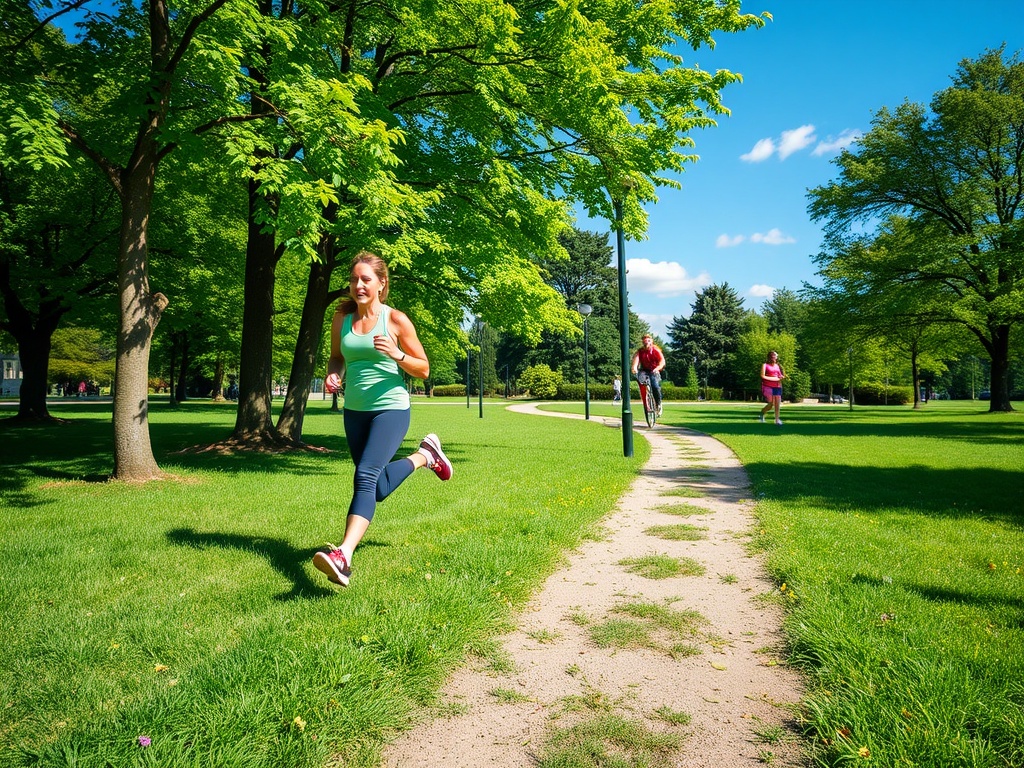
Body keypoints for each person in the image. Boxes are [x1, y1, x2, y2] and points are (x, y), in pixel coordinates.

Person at [313, 251, 453, 588]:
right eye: (353, 279)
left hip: (391, 407)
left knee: (364, 476)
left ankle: (343, 555)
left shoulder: (396, 320)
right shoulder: (341, 319)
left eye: (365, 279)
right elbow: (336, 358)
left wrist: (397, 354)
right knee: (375, 487)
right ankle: (425, 456)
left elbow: (424, 368)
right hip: (355, 411)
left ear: (381, 284)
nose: (358, 285)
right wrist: (333, 376)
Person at [630, 333, 665, 416]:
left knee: (655, 385)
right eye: (645, 342)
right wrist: (634, 368)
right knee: (641, 382)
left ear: (651, 341)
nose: (646, 343)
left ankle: (658, 404)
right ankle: (646, 402)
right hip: (644, 370)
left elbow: (662, 361)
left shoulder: (656, 350)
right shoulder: (640, 351)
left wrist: (657, 368)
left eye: (648, 341)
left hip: (654, 370)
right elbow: (636, 361)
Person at [759, 350, 786, 425]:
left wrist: (781, 377)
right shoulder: (764, 365)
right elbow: (762, 376)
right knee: (771, 404)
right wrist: (773, 379)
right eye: (776, 356)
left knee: (777, 403)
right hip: (767, 386)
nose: (777, 357)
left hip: (777, 386)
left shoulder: (777, 366)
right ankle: (762, 412)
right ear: (772, 357)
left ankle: (777, 420)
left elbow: (779, 375)